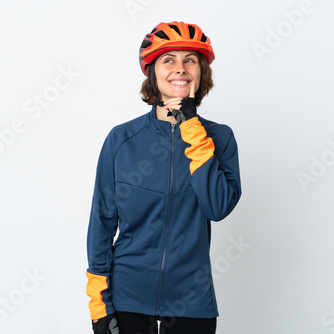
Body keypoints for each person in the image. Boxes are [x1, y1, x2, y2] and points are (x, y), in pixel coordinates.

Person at [85, 21, 242, 334]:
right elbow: (102, 222)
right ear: (152, 73)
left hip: (192, 299)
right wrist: (98, 303)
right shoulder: (122, 139)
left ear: (201, 73)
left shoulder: (219, 138)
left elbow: (218, 207)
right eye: (168, 60)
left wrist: (191, 127)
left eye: (190, 60)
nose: (180, 69)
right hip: (127, 297)